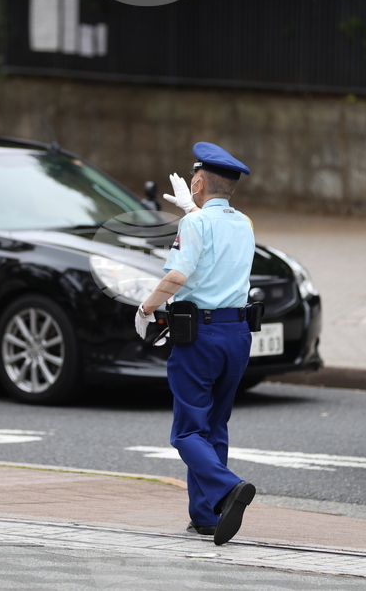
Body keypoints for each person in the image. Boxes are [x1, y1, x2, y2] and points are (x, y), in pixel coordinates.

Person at [134, 142, 257, 546]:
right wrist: (193, 211)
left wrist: (146, 308)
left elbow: (179, 274)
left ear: (200, 182)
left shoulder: (195, 224)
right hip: (237, 335)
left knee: (187, 433)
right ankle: (205, 515)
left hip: (199, 336)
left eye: (193, 181)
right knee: (214, 425)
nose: (191, 185)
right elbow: (216, 253)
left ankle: (227, 488)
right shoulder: (245, 223)